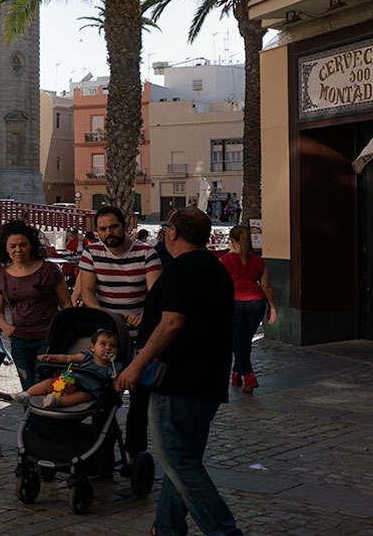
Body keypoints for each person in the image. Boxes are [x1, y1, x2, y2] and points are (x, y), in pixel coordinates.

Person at [114, 208, 243, 536]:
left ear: (172, 232)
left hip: (178, 380)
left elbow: (171, 322)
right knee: (183, 459)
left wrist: (135, 365)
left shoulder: (181, 269)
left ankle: (225, 532)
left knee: (178, 462)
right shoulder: (217, 268)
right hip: (208, 380)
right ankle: (166, 527)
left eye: (164, 229)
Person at [77, 204, 161, 455]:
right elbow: (88, 291)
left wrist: (143, 315)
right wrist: (108, 318)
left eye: (113, 227)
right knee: (101, 397)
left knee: (139, 400)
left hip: (139, 337)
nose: (108, 232)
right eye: (102, 229)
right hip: (107, 338)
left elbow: (156, 294)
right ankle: (100, 454)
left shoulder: (147, 254)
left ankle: (136, 454)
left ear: (124, 226)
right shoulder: (91, 253)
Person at [0, 220, 71, 390]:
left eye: (22, 245)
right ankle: (30, 416)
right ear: (6, 248)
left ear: (31, 246)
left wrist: (66, 332)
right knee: (28, 388)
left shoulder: (49, 270)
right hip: (20, 340)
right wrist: (4, 326)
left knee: (44, 387)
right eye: (13, 246)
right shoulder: (2, 276)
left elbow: (66, 304)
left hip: (49, 339)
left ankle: (37, 417)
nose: (18, 250)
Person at [218, 223, 275, 394]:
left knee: (238, 341)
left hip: (234, 303)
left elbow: (220, 285)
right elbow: (266, 286)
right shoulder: (259, 261)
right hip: (256, 303)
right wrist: (272, 306)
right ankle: (236, 373)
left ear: (231, 240)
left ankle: (249, 376)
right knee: (244, 341)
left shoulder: (225, 260)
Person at [24, 329, 119, 410]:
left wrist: (117, 386)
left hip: (89, 391)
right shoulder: (86, 357)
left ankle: (56, 401)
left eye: (113, 346)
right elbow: (67, 358)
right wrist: (52, 357)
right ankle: (26, 394)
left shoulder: (114, 367)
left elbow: (116, 381)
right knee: (49, 382)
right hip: (72, 381)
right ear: (92, 347)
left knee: (81, 397)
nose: (108, 348)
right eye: (103, 344)